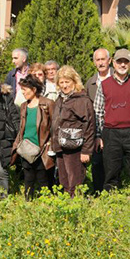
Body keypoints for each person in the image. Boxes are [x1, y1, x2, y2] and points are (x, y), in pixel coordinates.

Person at [94, 49, 130, 194]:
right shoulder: (105, 85)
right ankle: (111, 198)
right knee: (111, 168)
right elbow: (98, 111)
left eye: (126, 61)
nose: (122, 64)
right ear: (113, 62)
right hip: (111, 132)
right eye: (119, 61)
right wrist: (101, 133)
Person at [51, 66, 95, 197]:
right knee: (63, 180)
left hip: (75, 148)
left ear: (74, 81)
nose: (64, 86)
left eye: (67, 82)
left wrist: (86, 151)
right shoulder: (60, 99)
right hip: (60, 146)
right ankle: (67, 209)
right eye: (61, 82)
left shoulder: (82, 100)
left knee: (75, 182)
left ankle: (76, 209)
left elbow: (89, 126)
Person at [12, 75, 55, 199]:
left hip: (42, 150)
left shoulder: (47, 104)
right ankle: (28, 204)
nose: (23, 92)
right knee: (28, 180)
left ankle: (47, 205)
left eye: (25, 89)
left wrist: (50, 143)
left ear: (34, 89)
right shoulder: (24, 106)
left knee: (43, 181)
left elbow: (55, 126)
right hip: (26, 149)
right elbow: (22, 128)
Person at [85, 48, 113, 193]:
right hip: (97, 129)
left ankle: (113, 192)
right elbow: (89, 110)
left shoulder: (118, 78)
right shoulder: (90, 83)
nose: (101, 63)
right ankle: (98, 192)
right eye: (98, 60)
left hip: (115, 128)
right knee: (97, 162)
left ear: (109, 60)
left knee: (114, 162)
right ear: (94, 62)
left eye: (103, 59)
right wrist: (96, 135)